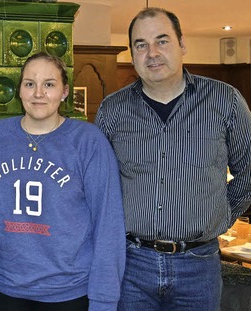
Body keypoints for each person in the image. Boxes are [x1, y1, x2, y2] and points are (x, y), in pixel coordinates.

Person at [95, 7, 251, 310]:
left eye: (162, 41)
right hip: (131, 264)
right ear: (131, 54)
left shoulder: (225, 101)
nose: (152, 53)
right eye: (141, 44)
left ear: (181, 45)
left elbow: (249, 172)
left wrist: (218, 215)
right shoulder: (111, 111)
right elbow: (100, 186)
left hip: (199, 265)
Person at [0, 51, 125, 311]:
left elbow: (108, 224)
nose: (38, 93)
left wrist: (104, 300)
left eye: (49, 84)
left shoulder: (88, 142)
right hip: (3, 288)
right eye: (29, 84)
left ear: (65, 91)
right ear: (19, 90)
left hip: (68, 293)